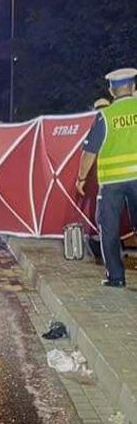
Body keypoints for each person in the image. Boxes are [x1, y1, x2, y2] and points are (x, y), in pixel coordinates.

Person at [75, 67, 137, 287]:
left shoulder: (105, 116)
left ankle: (116, 277)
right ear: (133, 87)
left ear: (112, 91)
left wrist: (81, 178)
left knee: (109, 228)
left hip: (111, 183)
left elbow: (89, 151)